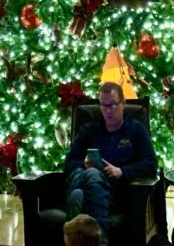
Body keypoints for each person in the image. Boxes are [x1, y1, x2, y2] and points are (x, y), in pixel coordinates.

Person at [64, 81, 157, 237]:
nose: (108, 111)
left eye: (112, 105)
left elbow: (151, 164)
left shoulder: (135, 130)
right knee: (92, 174)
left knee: (76, 197)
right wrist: (84, 164)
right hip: (84, 180)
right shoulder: (90, 130)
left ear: (123, 104)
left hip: (117, 192)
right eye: (104, 106)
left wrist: (122, 171)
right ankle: (101, 242)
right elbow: (68, 165)